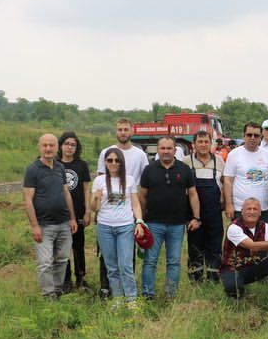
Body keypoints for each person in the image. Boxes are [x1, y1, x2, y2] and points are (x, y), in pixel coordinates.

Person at [139, 137, 200, 299]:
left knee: (173, 262)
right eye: (163, 148)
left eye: (169, 148)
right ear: (157, 150)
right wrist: (140, 220)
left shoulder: (185, 169)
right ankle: (147, 294)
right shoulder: (149, 169)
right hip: (153, 223)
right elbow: (142, 196)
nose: (166, 151)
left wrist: (196, 217)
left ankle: (171, 294)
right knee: (150, 261)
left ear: (175, 150)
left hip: (177, 224)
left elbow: (193, 195)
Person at [95, 118, 149, 299]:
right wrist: (96, 202)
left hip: (127, 217)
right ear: (116, 131)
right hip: (105, 221)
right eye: (120, 129)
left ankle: (131, 297)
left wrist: (139, 219)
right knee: (109, 263)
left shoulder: (139, 155)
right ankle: (111, 293)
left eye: (126, 129)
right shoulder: (105, 153)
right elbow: (100, 190)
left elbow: (143, 184)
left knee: (126, 262)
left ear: (131, 131)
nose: (123, 132)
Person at [23, 134, 78, 298]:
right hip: (44, 225)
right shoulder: (33, 169)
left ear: (56, 147)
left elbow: (66, 193)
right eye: (45, 145)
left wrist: (73, 218)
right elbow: (27, 199)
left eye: (51, 145)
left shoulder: (60, 167)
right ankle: (48, 295)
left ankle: (57, 290)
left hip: (64, 223)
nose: (48, 149)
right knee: (45, 262)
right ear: (40, 147)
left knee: (62, 259)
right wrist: (34, 226)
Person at [221, 197, 268, 300]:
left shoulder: (264, 226)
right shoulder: (234, 227)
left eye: (255, 209)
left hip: (253, 267)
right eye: (248, 209)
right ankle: (235, 298)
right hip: (233, 269)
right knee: (234, 289)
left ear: (260, 213)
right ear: (242, 211)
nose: (252, 212)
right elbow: (252, 245)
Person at [182, 130, 225, 282]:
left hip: (214, 212)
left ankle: (214, 277)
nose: (203, 144)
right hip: (194, 214)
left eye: (206, 141)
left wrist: (225, 203)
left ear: (210, 143)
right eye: (200, 142)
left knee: (214, 245)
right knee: (195, 246)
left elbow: (224, 185)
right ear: (193, 144)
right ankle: (196, 279)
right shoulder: (186, 162)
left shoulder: (219, 161)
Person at [223, 121, 268, 226]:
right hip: (240, 208)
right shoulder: (234, 154)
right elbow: (228, 181)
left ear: (260, 137)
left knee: (263, 240)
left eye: (256, 135)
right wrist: (229, 204)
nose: (252, 138)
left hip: (262, 208)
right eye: (249, 135)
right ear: (244, 136)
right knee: (242, 241)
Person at [57, 131, 91, 292]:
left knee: (78, 246)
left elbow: (86, 190)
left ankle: (81, 278)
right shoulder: (55, 164)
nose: (70, 147)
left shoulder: (81, 165)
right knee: (63, 248)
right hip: (59, 214)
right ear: (61, 145)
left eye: (73, 145)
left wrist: (88, 211)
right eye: (67, 144)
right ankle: (66, 281)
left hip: (78, 212)